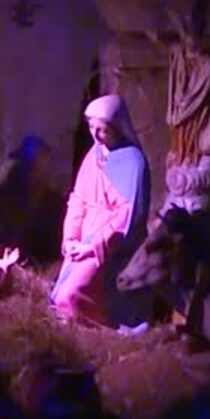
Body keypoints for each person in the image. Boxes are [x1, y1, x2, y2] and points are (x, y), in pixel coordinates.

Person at [51, 94, 150, 328]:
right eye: (91, 127)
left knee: (69, 296)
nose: (95, 135)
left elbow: (127, 217)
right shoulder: (94, 154)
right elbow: (78, 199)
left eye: (102, 130)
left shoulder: (133, 162)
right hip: (85, 236)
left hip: (109, 245)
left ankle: (100, 325)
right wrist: (71, 238)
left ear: (117, 128)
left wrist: (93, 246)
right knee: (58, 299)